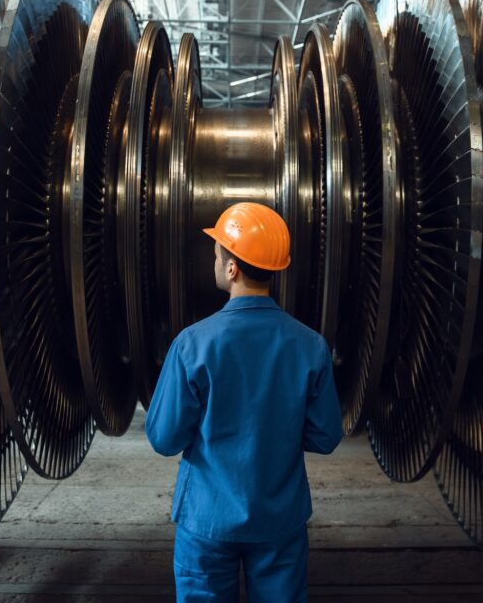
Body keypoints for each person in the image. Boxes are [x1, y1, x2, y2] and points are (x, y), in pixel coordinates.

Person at [145, 201, 343, 602]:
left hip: (207, 519)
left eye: (218, 253)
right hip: (279, 521)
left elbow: (164, 439)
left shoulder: (193, 345)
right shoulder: (310, 346)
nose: (215, 260)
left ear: (233, 268)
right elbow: (326, 437)